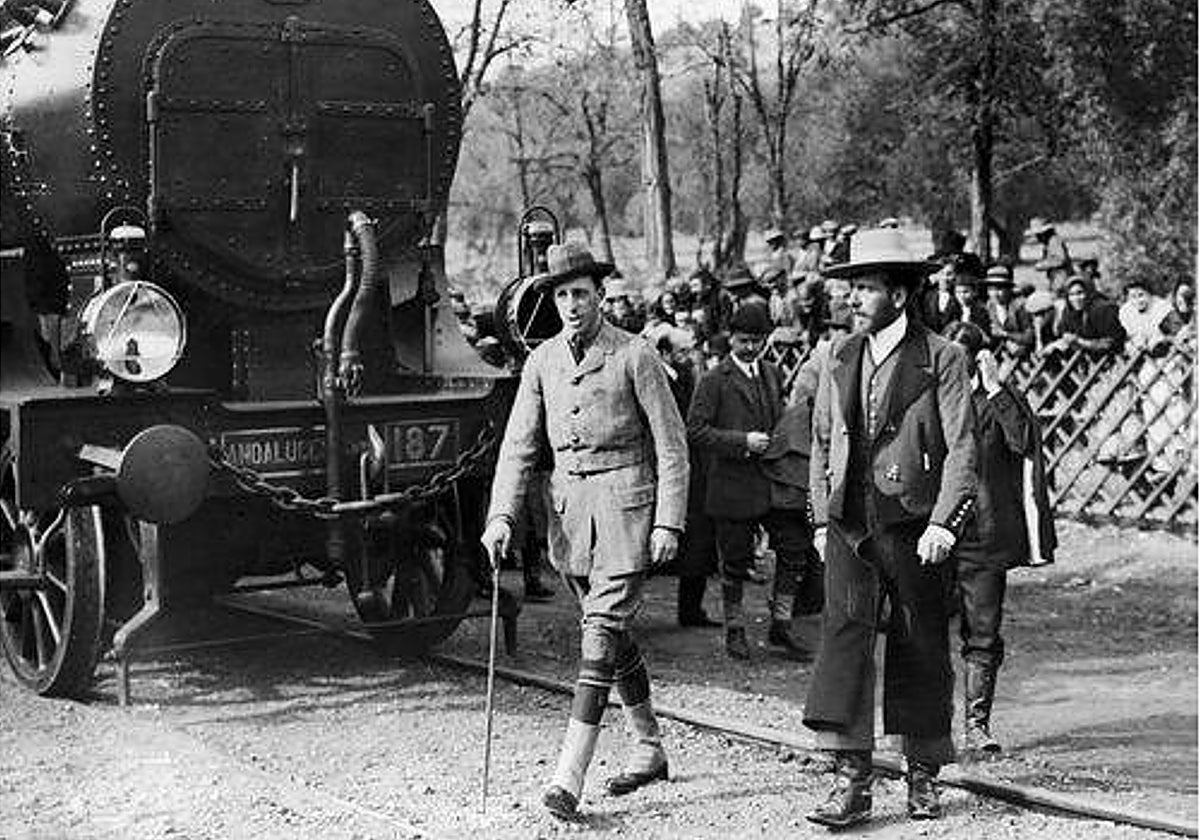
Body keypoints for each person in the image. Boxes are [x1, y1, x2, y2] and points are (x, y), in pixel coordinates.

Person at [481, 242, 689, 819]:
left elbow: (673, 447)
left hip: (627, 509)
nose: (572, 304)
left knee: (598, 635)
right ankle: (649, 746)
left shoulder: (635, 354)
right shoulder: (542, 360)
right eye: (562, 295)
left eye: (581, 293)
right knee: (613, 634)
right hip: (570, 518)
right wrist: (501, 515)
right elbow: (518, 448)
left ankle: (567, 777)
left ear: (600, 295)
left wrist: (669, 520)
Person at [803, 227, 976, 828]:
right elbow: (823, 439)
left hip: (914, 526)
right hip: (852, 524)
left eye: (867, 287)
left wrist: (944, 523)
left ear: (900, 295)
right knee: (844, 640)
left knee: (920, 643)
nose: (854, 298)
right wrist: (820, 518)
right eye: (852, 287)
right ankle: (852, 780)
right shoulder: (839, 355)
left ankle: (922, 775)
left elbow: (963, 448)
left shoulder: (944, 358)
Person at [944, 322, 1056, 755]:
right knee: (923, 627)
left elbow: (1024, 441)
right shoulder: (931, 395)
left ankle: (976, 725)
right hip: (933, 531)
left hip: (983, 536)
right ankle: (927, 726)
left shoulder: (998, 400)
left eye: (961, 356)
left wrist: (996, 389)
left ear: (978, 358)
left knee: (983, 631)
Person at [687, 301, 815, 661]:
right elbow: (695, 431)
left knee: (793, 547)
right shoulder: (714, 380)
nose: (751, 347)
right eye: (744, 341)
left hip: (773, 482)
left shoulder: (772, 373)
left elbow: (780, 421)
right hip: (732, 485)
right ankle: (735, 629)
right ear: (731, 338)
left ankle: (782, 625)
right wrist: (741, 442)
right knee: (734, 561)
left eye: (758, 341)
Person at [982, 265, 1034, 359]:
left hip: (1022, 355)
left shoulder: (1018, 307)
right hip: (997, 353)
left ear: (1008, 289)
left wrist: (1006, 334)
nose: (995, 294)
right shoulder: (988, 307)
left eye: (999, 289)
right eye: (991, 289)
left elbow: (1029, 337)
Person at [1118, 278, 1173, 355]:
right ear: (1128, 299)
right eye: (1133, 297)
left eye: (1141, 295)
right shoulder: (1126, 312)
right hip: (1143, 352)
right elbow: (1132, 334)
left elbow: (1167, 332)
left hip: (1166, 347)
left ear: (1149, 293)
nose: (1138, 301)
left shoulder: (1161, 306)